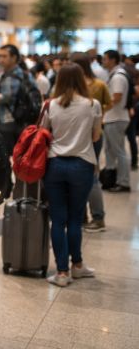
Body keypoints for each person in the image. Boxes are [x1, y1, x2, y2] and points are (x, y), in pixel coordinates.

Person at [40, 63, 101, 287]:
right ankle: (77, 266)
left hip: (55, 164)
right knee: (76, 218)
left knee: (58, 219)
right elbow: (95, 137)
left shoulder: (50, 105)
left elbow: (43, 135)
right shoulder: (92, 105)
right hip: (82, 164)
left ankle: (62, 273)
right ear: (82, 79)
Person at [70, 54, 111, 233]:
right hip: (93, 133)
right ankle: (87, 216)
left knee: (90, 178)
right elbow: (107, 104)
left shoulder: (73, 87)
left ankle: (96, 217)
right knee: (88, 175)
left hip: (81, 135)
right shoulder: (98, 85)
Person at [101, 49, 132, 192]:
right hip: (114, 118)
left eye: (105, 59)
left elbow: (117, 97)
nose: (103, 61)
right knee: (110, 151)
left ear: (112, 60)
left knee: (119, 151)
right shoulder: (115, 75)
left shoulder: (118, 77)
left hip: (116, 118)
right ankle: (111, 179)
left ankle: (124, 182)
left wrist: (102, 110)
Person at [0, 44, 27, 154]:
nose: (0, 59)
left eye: (4, 56)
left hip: (8, 120)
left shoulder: (12, 75)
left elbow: (6, 97)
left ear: (14, 57)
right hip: (17, 118)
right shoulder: (16, 73)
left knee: (7, 154)